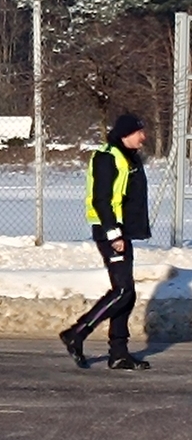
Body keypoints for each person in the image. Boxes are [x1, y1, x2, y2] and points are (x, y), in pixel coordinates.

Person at [60, 113, 151, 370]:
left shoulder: (125, 157)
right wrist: (114, 233)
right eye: (138, 132)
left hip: (122, 231)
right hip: (110, 231)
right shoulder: (106, 157)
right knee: (122, 291)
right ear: (125, 134)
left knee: (127, 293)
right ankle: (77, 333)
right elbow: (101, 199)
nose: (143, 136)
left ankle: (119, 353)